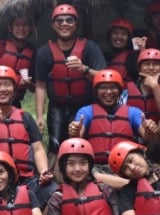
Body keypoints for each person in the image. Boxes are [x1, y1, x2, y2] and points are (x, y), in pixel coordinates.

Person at [0, 66, 56, 205]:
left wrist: (43, 171)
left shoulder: (25, 117)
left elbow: (38, 149)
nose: (2, 89)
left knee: (53, 193)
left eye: (7, 84)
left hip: (24, 179)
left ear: (14, 89)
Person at [34, 4, 106, 156]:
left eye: (69, 20)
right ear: (53, 25)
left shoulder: (90, 48)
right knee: (55, 145)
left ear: (76, 24)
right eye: (59, 21)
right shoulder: (43, 53)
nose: (64, 24)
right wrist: (40, 116)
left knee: (82, 145)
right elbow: (40, 86)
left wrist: (84, 69)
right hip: (57, 106)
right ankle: (57, 177)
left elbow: (103, 77)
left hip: (84, 105)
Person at [68, 69, 149, 189]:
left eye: (113, 88)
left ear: (120, 91)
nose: (108, 92)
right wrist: (74, 132)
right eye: (103, 88)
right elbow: (78, 136)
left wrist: (149, 130)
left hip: (124, 166)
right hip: (97, 167)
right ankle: (126, 185)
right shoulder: (86, 111)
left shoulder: (133, 112)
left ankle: (124, 184)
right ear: (96, 91)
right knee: (89, 174)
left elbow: (146, 135)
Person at [121, 48, 160, 173]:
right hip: (134, 138)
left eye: (156, 64)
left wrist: (154, 86)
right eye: (146, 64)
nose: (151, 68)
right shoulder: (125, 90)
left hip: (158, 139)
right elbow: (121, 116)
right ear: (139, 68)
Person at [0, 14, 35, 107]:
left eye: (25, 25)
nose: (21, 28)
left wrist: (29, 85)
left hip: (15, 103)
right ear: (10, 28)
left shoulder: (33, 54)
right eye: (17, 25)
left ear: (30, 28)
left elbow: (35, 88)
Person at [105, 18, 141, 82]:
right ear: (109, 36)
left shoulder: (132, 57)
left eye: (124, 34)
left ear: (128, 38)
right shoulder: (103, 57)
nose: (119, 37)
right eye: (115, 33)